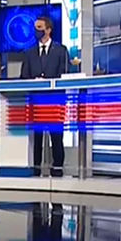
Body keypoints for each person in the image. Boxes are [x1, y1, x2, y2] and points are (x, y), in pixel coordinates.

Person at [19, 15, 73, 177]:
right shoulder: (29, 53)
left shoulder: (61, 50)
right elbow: (24, 77)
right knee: (37, 138)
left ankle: (57, 169)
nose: (36, 31)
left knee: (56, 137)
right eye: (35, 28)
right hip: (36, 102)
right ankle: (36, 169)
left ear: (48, 30)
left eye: (39, 28)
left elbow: (65, 74)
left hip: (54, 102)